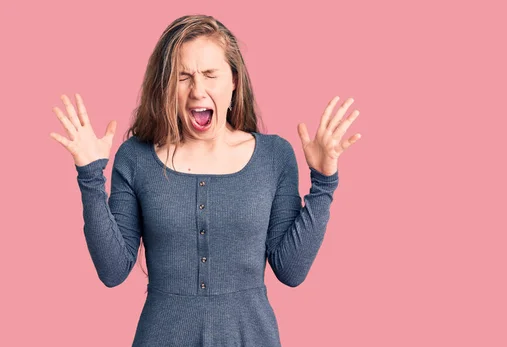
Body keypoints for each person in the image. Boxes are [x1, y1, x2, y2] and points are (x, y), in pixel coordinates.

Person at [50, 14, 361, 346]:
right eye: (183, 76)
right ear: (167, 86)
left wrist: (324, 181)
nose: (197, 89)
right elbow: (112, 272)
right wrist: (90, 176)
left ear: (234, 81)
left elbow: (291, 271)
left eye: (211, 74)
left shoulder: (274, 156)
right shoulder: (135, 157)